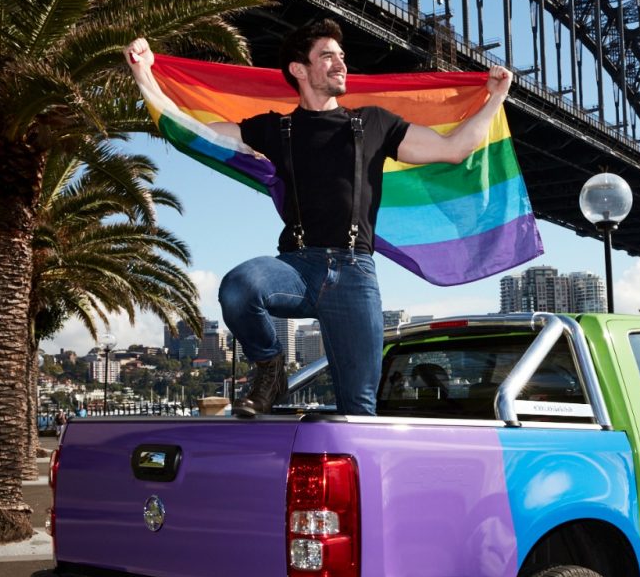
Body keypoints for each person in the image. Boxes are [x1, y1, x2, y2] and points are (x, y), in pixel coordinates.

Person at [125, 20, 512, 417]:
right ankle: (270, 370)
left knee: (359, 409)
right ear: (299, 70)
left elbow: (454, 148)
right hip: (297, 267)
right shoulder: (276, 128)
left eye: (341, 56)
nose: (340, 64)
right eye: (328, 56)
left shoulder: (375, 124)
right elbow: (192, 131)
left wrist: (495, 97)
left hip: (354, 275)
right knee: (239, 288)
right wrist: (145, 73)